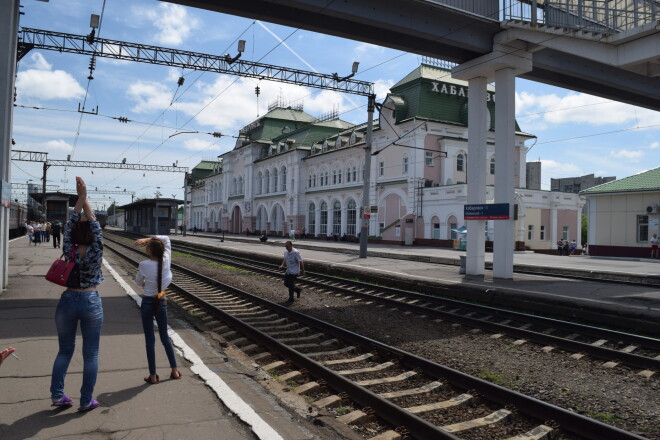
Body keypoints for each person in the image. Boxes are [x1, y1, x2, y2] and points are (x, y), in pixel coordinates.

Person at [50, 176, 104, 412]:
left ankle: (58, 396)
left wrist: (80, 200)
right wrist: (85, 197)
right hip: (91, 300)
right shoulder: (96, 248)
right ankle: (85, 400)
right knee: (90, 354)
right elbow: (93, 223)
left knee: (64, 351)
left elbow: (72, 223)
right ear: (92, 234)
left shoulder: (68, 248)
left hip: (68, 300)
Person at [134, 235, 181, 385]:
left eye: (147, 246)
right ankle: (174, 370)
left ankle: (153, 375)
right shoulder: (166, 259)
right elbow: (166, 239)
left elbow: (138, 282)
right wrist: (147, 239)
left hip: (148, 301)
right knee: (164, 337)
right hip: (161, 300)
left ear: (149, 251)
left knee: (150, 340)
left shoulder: (144, 264)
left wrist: (145, 284)